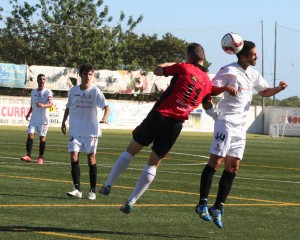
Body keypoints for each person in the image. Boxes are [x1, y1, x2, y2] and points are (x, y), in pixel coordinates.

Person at [98, 43, 234, 214]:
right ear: (204, 58)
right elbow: (207, 105)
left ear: (188, 57)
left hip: (159, 115)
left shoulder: (183, 67)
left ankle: (108, 185)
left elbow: (157, 70)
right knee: (153, 164)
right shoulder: (206, 81)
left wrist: (168, 63)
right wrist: (216, 116)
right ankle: (131, 201)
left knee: (131, 150)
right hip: (175, 125)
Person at [195, 40, 288, 228]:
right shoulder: (228, 70)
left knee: (234, 166)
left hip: (240, 127)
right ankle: (202, 203)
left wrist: (278, 89)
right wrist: (223, 90)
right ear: (243, 56)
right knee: (217, 160)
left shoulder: (253, 74)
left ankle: (218, 206)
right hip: (226, 122)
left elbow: (264, 92)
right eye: (254, 54)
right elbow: (210, 89)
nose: (257, 57)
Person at [61, 63, 110, 201]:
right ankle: (77, 189)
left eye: (90, 74)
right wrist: (63, 122)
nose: (88, 77)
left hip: (91, 131)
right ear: (80, 75)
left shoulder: (95, 91)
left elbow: (106, 107)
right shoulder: (73, 91)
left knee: (91, 158)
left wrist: (104, 118)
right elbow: (68, 107)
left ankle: (92, 191)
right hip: (75, 130)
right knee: (74, 157)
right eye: (85, 74)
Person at [20, 74, 53, 165]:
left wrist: (43, 105)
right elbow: (32, 105)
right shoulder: (33, 92)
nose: (42, 80)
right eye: (40, 79)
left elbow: (51, 104)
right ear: (37, 81)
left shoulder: (48, 92)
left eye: (43, 79)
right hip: (34, 118)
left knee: (42, 138)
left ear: (45, 81)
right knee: (30, 135)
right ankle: (28, 156)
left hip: (43, 119)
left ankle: (40, 157)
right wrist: (28, 114)